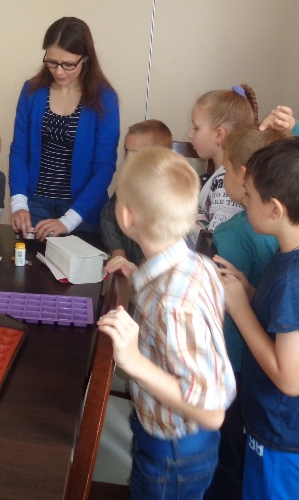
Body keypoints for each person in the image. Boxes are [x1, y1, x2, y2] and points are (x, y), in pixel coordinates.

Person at [97, 148, 236, 499]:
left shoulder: (172, 303)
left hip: (175, 452)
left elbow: (211, 414)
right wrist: (134, 275)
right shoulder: (195, 265)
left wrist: (133, 362)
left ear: (126, 216)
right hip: (165, 436)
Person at [220, 138, 299, 500]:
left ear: (275, 209)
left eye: (249, 197)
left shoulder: (297, 280)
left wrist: (239, 310)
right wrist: (249, 292)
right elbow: (294, 322)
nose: (244, 203)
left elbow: (291, 380)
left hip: (285, 433)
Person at [202, 125, 287, 499]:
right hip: (257, 358)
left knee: (225, 449)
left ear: (242, 174)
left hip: (230, 354)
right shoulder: (279, 227)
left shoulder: (234, 232)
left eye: (225, 169)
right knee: (240, 446)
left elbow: (219, 300)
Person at [9, 16, 119, 242]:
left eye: (68, 64)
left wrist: (68, 221)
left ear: (85, 58)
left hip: (82, 210)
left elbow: (104, 167)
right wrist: (18, 204)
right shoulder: (31, 91)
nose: (59, 71)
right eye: (52, 62)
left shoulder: (105, 98)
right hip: (36, 204)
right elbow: (19, 151)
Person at [187, 84, 259, 244]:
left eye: (196, 128)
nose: (190, 134)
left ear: (219, 134)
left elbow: (215, 243)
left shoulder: (225, 184)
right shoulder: (220, 177)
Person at [99, 119, 172, 264]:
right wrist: (117, 250)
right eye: (126, 150)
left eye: (136, 153)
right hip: (125, 266)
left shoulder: (169, 195)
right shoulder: (127, 184)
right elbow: (107, 218)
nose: (128, 158)